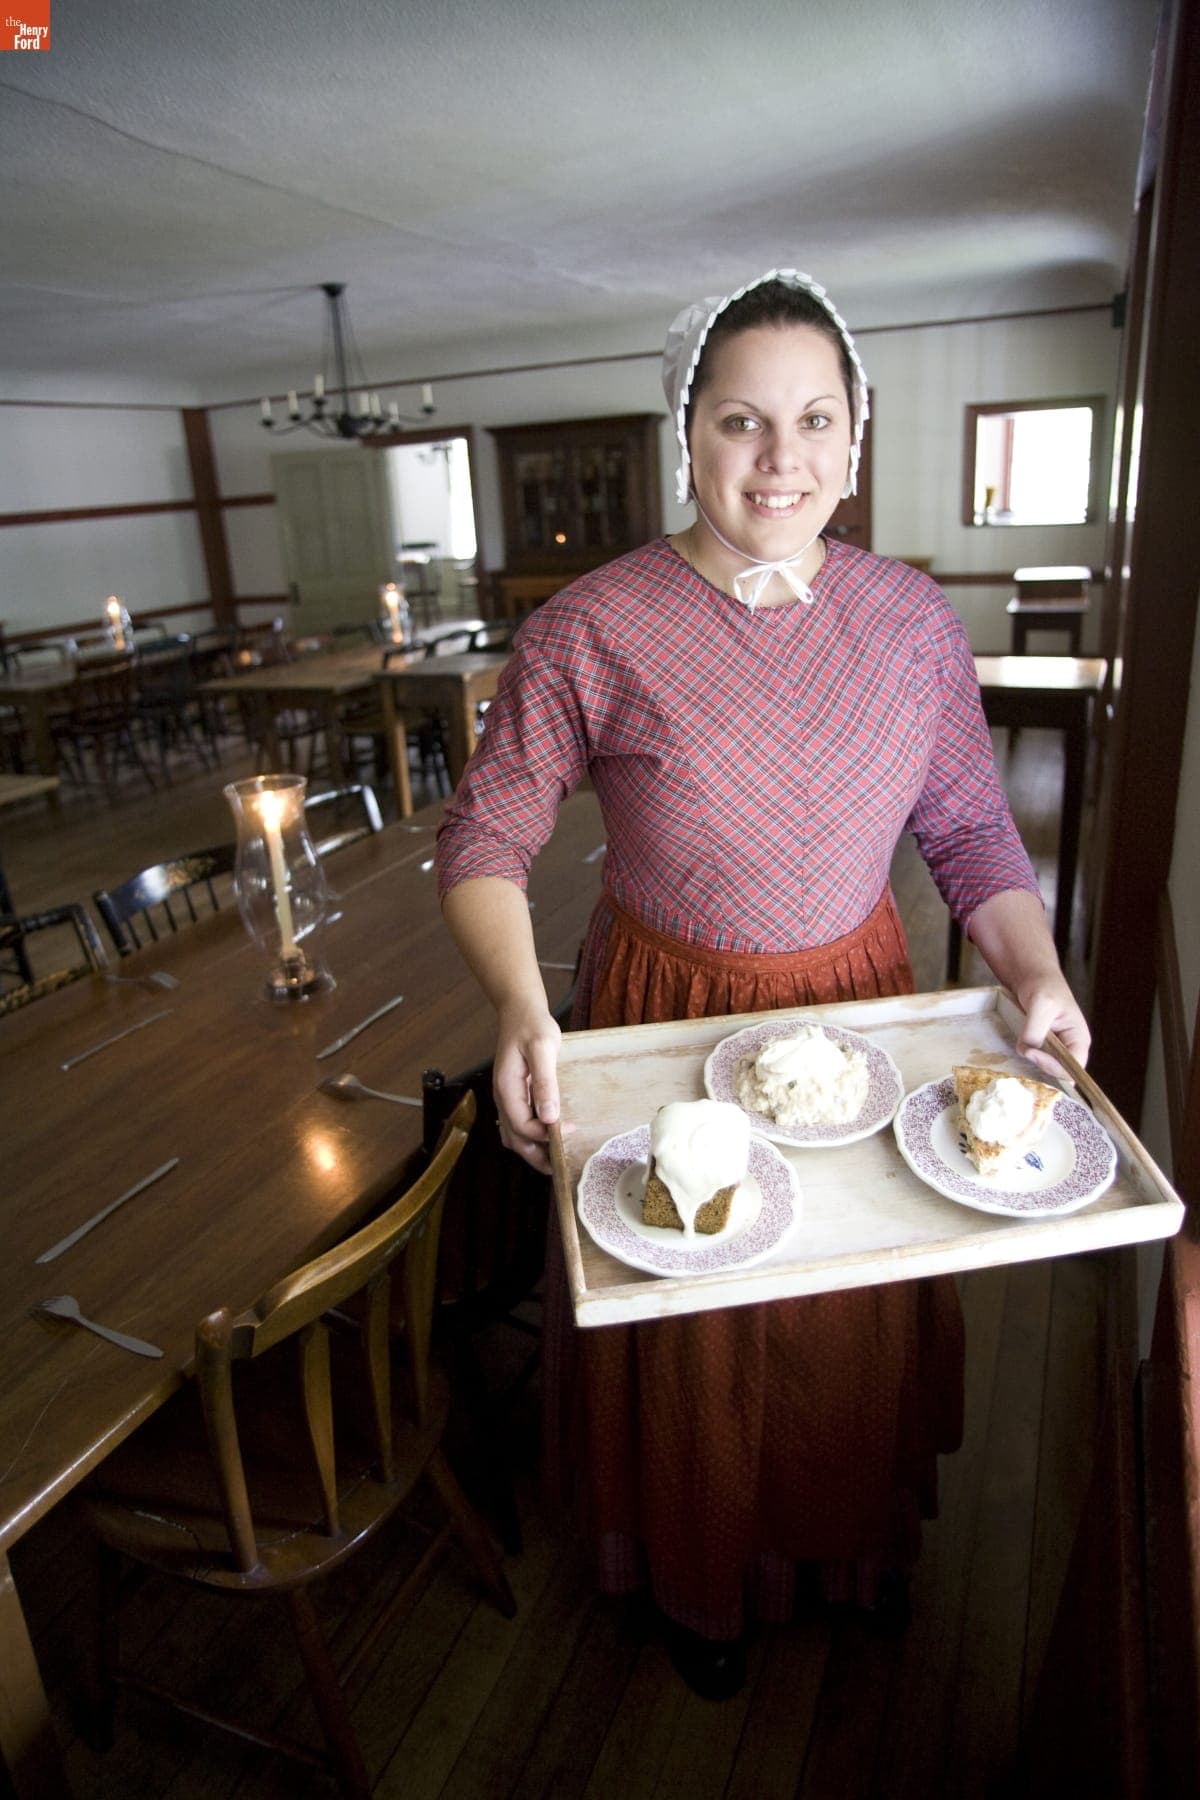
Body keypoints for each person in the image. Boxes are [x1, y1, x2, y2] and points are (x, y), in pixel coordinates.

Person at [434, 267, 1090, 1699]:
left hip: (857, 1006)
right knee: (701, 1325)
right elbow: (485, 836)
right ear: (688, 436)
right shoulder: (589, 626)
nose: (780, 460)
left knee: (845, 1313)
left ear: (857, 437)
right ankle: (701, 1583)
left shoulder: (912, 620)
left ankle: (845, 1555)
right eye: (742, 421)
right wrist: (517, 1006)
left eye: (814, 420)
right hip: (662, 1011)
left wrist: (1035, 974)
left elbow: (971, 829)